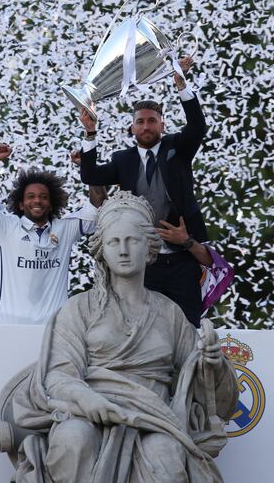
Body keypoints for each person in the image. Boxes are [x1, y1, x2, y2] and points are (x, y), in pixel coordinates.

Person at [7, 192, 238, 482]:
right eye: (114, 242)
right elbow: (58, 376)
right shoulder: (80, 308)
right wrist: (89, 401)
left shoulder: (170, 313)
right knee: (73, 438)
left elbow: (196, 378)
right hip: (88, 412)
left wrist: (212, 363)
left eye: (133, 240)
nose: (124, 250)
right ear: (102, 248)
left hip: (153, 418)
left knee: (165, 452)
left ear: (150, 248)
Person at [74, 56, 213, 327]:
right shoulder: (122, 160)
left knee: (188, 328)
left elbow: (198, 127)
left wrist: (181, 85)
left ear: (162, 125)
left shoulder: (178, 148)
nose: (146, 126)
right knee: (144, 330)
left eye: (152, 121)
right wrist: (90, 134)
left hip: (184, 257)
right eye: (141, 121)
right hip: (143, 263)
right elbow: (90, 175)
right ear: (132, 128)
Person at [0, 142, 106, 324]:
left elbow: (100, 206)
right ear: (20, 203)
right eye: (30, 196)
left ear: (51, 204)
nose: (37, 201)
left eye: (43, 197)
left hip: (53, 330)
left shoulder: (65, 228)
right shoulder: (5, 226)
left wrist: (87, 167)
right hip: (9, 327)